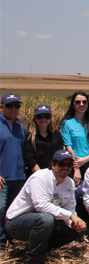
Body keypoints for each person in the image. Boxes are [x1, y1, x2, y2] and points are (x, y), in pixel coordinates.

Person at [4, 150, 86, 264]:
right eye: (61, 164)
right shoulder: (39, 177)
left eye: (69, 165)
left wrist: (73, 223)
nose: (65, 167)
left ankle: (37, 248)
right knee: (46, 219)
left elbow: (70, 208)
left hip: (41, 221)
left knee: (74, 230)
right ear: (53, 165)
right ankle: (34, 260)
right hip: (16, 223)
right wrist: (71, 216)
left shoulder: (69, 183)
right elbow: (41, 206)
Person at [0, 93, 26, 248]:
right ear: (2, 107)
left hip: (19, 177)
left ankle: (10, 238)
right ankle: (1, 242)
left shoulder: (21, 128)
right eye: (9, 105)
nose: (13, 108)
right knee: (1, 209)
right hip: (3, 177)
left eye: (17, 105)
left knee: (13, 211)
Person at [61, 91, 89, 187]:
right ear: (73, 104)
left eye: (84, 102)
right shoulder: (67, 123)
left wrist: (87, 159)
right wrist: (76, 168)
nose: (81, 104)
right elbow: (68, 147)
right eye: (78, 102)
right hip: (76, 163)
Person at [24, 105, 63, 177]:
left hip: (54, 174)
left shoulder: (56, 134)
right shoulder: (30, 136)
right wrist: (42, 176)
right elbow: (30, 159)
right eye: (39, 116)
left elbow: (60, 155)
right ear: (35, 118)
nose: (43, 119)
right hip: (37, 175)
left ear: (50, 118)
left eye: (46, 116)